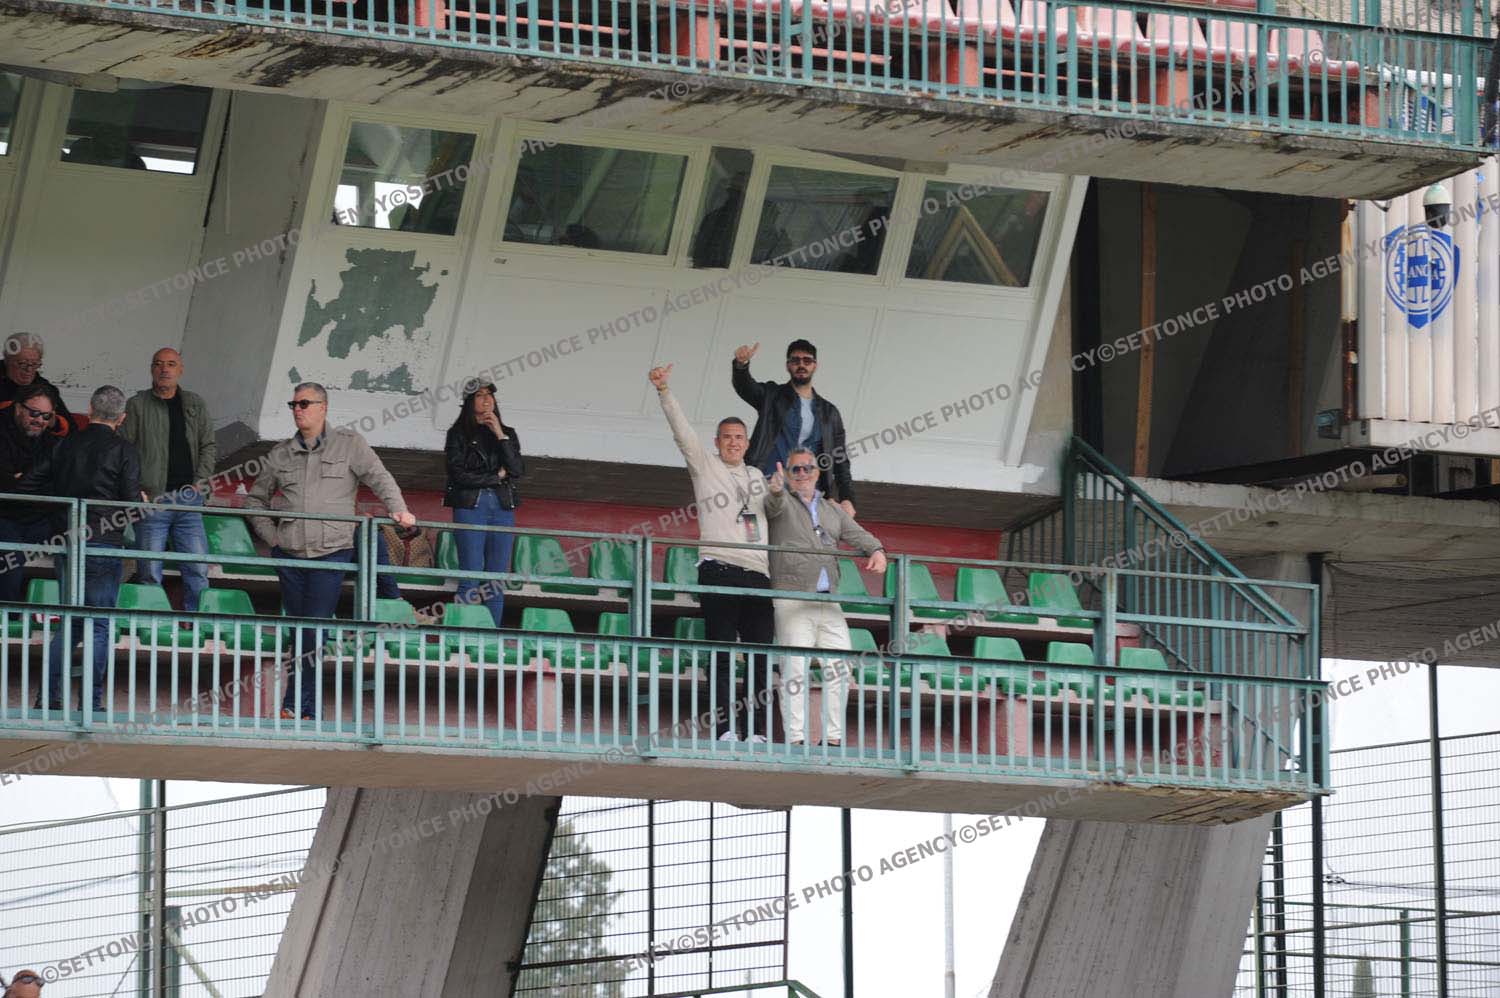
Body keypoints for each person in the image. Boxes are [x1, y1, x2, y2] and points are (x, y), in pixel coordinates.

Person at [243, 382, 415, 721]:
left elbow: (379, 477)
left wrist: (399, 509)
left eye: (304, 403)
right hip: (290, 553)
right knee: (300, 630)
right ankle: (304, 708)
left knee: (313, 629)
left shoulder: (350, 444)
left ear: (324, 407)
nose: (298, 409)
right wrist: (273, 538)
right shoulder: (280, 453)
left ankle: (297, 705)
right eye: (294, 404)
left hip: (332, 551)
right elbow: (254, 501)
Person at [651, 362, 773, 743]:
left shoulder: (758, 477)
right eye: (727, 437)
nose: (733, 442)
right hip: (720, 568)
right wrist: (664, 391)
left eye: (739, 437)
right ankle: (725, 730)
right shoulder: (704, 466)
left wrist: (782, 492)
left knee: (759, 658)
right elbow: (683, 433)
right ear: (717, 442)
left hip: (758, 573)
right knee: (722, 654)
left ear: (747, 443)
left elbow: (778, 513)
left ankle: (755, 732)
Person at [18, 386, 142, 711]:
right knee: (99, 624)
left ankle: (48, 698)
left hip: (68, 541)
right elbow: (133, 506)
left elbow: (28, 485)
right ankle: (90, 703)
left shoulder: (64, 444)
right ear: (122, 418)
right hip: (104, 543)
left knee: (70, 622)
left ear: (89, 410)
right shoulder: (125, 449)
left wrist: (59, 506)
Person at [764, 448, 885, 748]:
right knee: (794, 668)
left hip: (828, 599)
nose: (802, 474)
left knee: (840, 666)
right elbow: (772, 504)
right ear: (788, 475)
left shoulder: (832, 509)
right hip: (792, 595)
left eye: (807, 468)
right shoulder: (782, 500)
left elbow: (858, 534)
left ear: (817, 473)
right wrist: (776, 490)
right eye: (795, 469)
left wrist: (877, 550)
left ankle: (832, 738)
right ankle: (795, 738)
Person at [121, 348, 215, 611]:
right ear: (152, 369)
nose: (165, 369)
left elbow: (208, 445)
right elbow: (124, 450)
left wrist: (201, 482)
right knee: (150, 572)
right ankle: (152, 624)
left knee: (198, 569)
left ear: (180, 369)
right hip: (153, 501)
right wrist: (135, 488)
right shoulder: (137, 404)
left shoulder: (195, 403)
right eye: (159, 364)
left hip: (189, 501)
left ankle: (198, 624)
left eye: (171, 364)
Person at [732, 339, 856, 517]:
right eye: (795, 360)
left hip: (807, 493)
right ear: (788, 365)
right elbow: (746, 387)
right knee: (759, 533)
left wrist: (847, 498)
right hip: (766, 486)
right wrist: (741, 365)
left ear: (815, 365)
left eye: (807, 360)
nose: (801, 365)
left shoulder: (829, 412)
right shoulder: (772, 396)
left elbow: (840, 458)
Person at [443, 379, 524, 626]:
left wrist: (499, 434)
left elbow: (517, 469)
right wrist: (495, 477)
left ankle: (491, 636)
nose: (487, 400)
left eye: (490, 395)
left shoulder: (507, 433)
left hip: (502, 506)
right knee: (470, 574)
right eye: (479, 395)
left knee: (496, 580)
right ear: (469, 401)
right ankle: (462, 635)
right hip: (471, 505)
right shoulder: (458, 434)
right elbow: (458, 475)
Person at [0, 386, 61, 601]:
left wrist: (22, 478)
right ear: (18, 409)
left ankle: (66, 616)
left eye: (46, 416)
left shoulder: (52, 444)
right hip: (5, 517)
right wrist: (27, 481)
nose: (39, 420)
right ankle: (8, 616)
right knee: (10, 558)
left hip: (39, 520)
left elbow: (57, 484)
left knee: (82, 541)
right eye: (34, 413)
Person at [0, 333, 73, 435]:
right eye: (22, 363)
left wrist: (53, 422)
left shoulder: (45, 388)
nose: (29, 370)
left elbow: (72, 430)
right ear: (7, 360)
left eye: (34, 364)